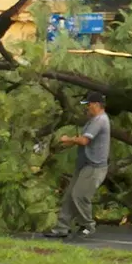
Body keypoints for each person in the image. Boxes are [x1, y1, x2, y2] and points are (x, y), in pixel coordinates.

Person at [45, 90, 111, 239]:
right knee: (69, 196)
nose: (87, 108)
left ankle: (88, 225)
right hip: (84, 165)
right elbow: (82, 140)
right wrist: (64, 143)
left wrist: (67, 138)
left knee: (79, 196)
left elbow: (84, 141)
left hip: (94, 167)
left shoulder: (100, 120)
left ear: (96, 105)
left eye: (88, 105)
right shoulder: (92, 120)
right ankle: (62, 228)